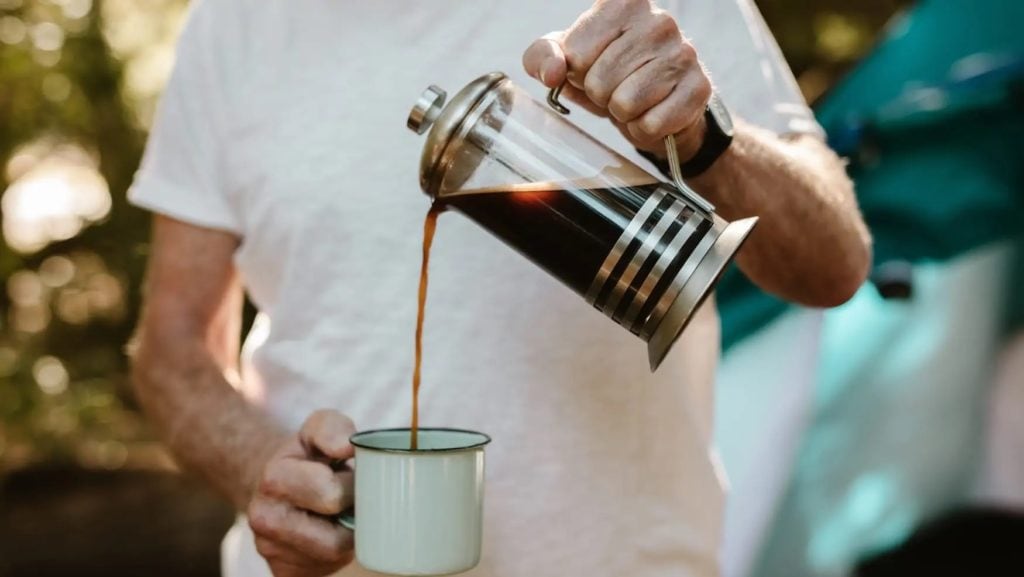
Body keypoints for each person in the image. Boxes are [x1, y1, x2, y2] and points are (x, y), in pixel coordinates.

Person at [127, 0, 871, 576]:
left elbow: (833, 264)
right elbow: (171, 351)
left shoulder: (644, 11)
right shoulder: (235, 23)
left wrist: (709, 137)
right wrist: (267, 469)